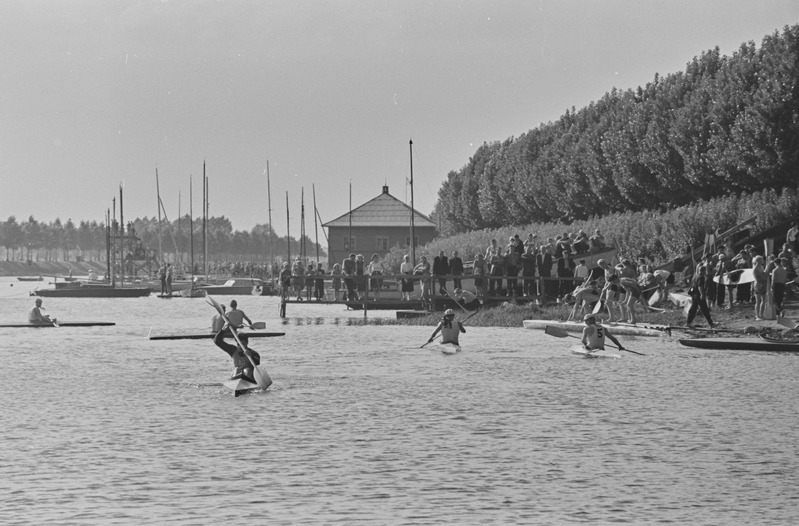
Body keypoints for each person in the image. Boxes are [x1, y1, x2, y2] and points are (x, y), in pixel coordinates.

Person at [752, 255, 767, 321]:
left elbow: (763, 274)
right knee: (758, 301)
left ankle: (762, 314)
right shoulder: (755, 268)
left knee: (763, 300)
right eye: (761, 260)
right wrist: (763, 276)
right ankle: (757, 315)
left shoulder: (761, 267)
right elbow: (757, 278)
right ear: (758, 261)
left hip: (763, 283)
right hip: (758, 285)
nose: (763, 261)